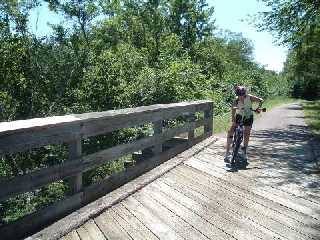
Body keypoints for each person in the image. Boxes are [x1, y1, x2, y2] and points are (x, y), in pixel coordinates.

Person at [224, 86, 263, 163]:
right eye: (239, 95)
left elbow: (261, 100)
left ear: (245, 94)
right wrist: (233, 120)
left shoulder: (250, 97)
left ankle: (244, 151)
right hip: (239, 116)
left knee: (247, 133)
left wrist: (258, 108)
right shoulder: (236, 100)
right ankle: (227, 152)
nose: (240, 97)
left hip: (248, 116)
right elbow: (233, 109)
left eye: (242, 95)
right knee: (230, 131)